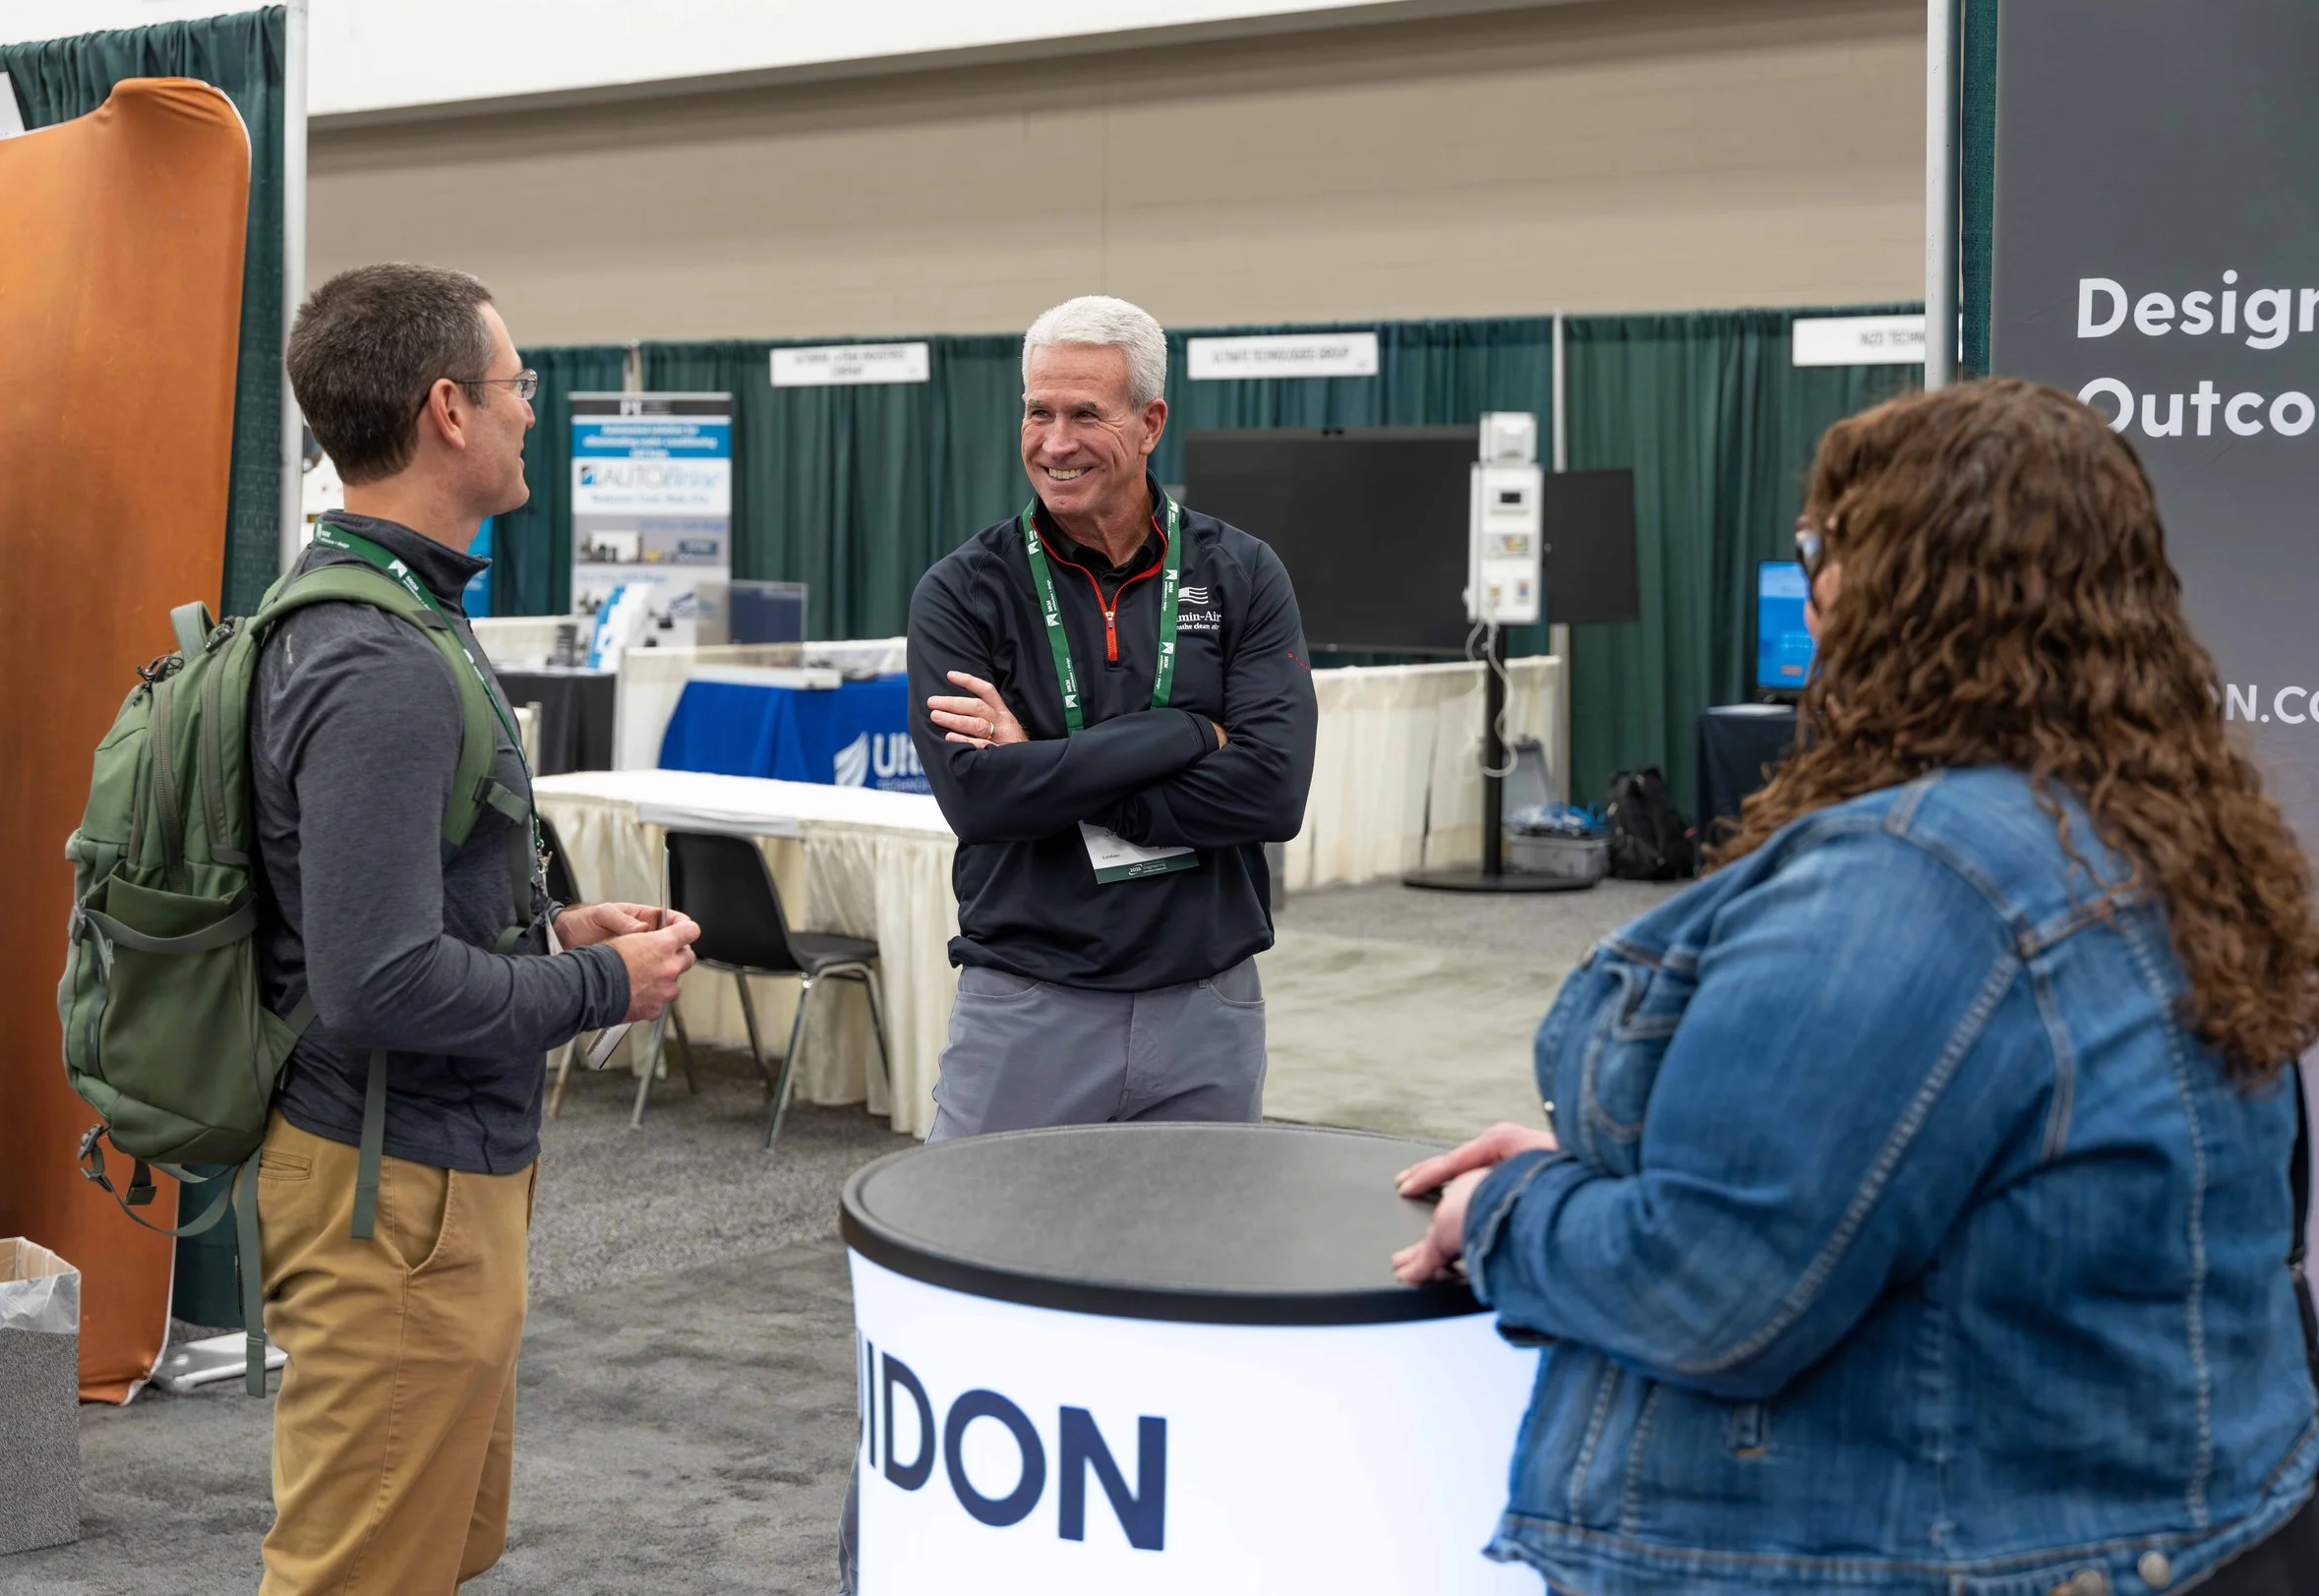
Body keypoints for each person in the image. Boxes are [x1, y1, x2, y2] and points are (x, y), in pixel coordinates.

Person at [1395, 379, 2319, 1594]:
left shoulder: (1917, 876)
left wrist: (1512, 1208)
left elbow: (1712, 1288)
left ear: (1910, 589)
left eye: (1825, 546)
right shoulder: (2158, 833)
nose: (1812, 585)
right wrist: (1624, 1168)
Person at [255, 263, 700, 1595]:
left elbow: (389, 902)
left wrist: (554, 928)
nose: (531, 408)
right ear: (446, 406)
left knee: (436, 1542)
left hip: (436, 1170)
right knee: (358, 1569)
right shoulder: (377, 656)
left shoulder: (403, 611)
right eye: (514, 384)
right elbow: (377, 979)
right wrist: (595, 982)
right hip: (393, 1190)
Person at [904, 293, 1318, 1139]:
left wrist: (1050, 763)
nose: (1054, 443)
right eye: (1038, 412)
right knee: (983, 1260)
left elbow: (1273, 794)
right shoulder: (963, 591)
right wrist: (1188, 735)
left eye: (1085, 413)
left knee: (1191, 1266)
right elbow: (982, 802)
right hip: (1028, 1001)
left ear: (1150, 421)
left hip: (1208, 1005)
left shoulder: (1241, 572)